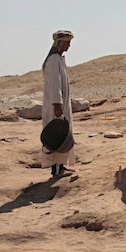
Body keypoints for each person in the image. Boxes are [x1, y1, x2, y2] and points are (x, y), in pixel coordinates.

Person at [42, 30, 75, 177]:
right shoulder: (53, 60)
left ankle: (61, 166)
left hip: (61, 104)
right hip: (56, 106)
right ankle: (56, 169)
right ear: (60, 43)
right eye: (67, 42)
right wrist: (57, 104)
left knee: (63, 135)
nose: (69, 46)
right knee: (56, 136)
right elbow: (55, 84)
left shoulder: (59, 60)